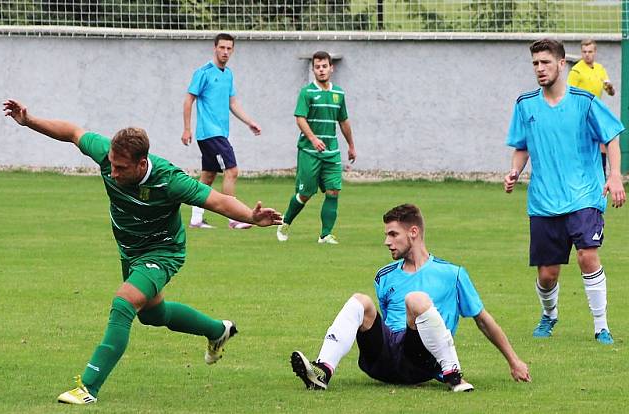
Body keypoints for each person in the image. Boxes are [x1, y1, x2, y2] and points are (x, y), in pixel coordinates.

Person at [2, 99, 282, 405]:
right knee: (152, 314)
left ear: (141, 163)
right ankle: (218, 330)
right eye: (111, 164)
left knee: (124, 303)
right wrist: (29, 121)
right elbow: (72, 132)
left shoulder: (170, 180)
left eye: (121, 168)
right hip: (130, 251)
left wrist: (250, 217)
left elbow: (217, 201)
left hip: (163, 251)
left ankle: (88, 388)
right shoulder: (109, 156)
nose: (113, 172)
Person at [290, 204, 531, 393]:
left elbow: (483, 320)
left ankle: (452, 373)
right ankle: (322, 371)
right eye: (386, 235)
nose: (387, 241)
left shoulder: (453, 274)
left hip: (420, 362)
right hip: (383, 362)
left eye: (393, 234)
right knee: (360, 301)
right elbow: (383, 317)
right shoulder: (384, 276)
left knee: (416, 299)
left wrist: (514, 361)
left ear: (413, 232)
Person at [504, 38, 625, 345]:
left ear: (562, 65)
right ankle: (549, 315)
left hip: (584, 195)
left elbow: (612, 138)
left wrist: (614, 176)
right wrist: (515, 171)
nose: (539, 69)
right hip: (544, 201)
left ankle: (601, 326)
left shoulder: (585, 102)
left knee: (587, 256)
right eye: (535, 63)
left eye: (545, 62)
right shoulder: (525, 104)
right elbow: (521, 146)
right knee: (548, 275)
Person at [182, 33, 262, 230]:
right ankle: (234, 218)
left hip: (218, 134)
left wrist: (249, 122)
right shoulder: (203, 72)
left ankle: (196, 219)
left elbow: (232, 102)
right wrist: (186, 129)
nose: (225, 52)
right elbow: (188, 100)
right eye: (222, 47)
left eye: (229, 48)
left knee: (208, 176)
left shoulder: (228, 74)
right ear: (215, 48)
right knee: (232, 171)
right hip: (209, 133)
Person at [276, 51, 356, 245]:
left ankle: (325, 235)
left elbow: (343, 120)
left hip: (332, 152)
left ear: (331, 68)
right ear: (313, 70)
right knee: (305, 194)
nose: (321, 70)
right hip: (310, 151)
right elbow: (300, 118)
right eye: (318, 67)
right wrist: (313, 139)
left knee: (333, 191)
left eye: (324, 66)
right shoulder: (307, 92)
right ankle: (285, 222)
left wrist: (351, 145)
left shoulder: (338, 93)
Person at [568, 38, 616, 175]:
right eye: (584, 52)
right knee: (581, 145)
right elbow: (569, 95)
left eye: (590, 51)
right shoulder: (576, 71)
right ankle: (579, 175)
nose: (587, 54)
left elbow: (611, 92)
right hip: (581, 113)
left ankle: (601, 175)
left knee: (602, 143)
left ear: (595, 52)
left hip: (596, 111)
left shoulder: (600, 69)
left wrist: (610, 88)